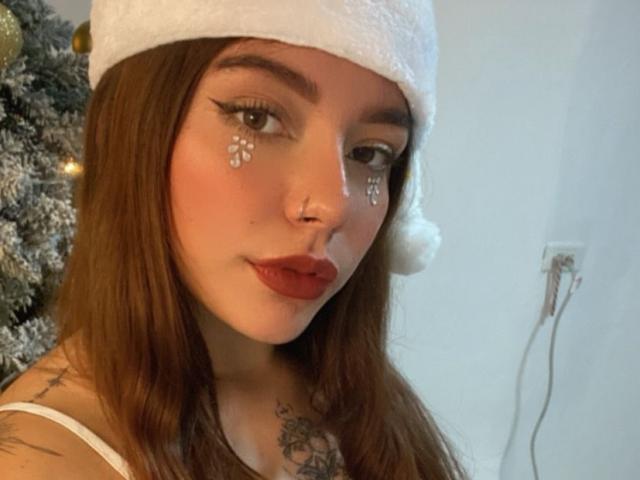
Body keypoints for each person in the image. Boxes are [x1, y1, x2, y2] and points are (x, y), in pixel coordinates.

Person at [0, 1, 467, 479]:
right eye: (257, 119)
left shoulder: (359, 400)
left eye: (370, 153)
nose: (332, 205)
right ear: (133, 128)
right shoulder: (38, 461)